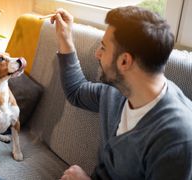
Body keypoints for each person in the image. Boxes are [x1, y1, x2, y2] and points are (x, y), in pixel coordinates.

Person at [50, 6, 192, 180]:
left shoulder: (178, 138)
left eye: (103, 48)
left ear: (124, 61)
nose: (97, 54)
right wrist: (65, 38)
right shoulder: (118, 91)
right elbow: (76, 92)